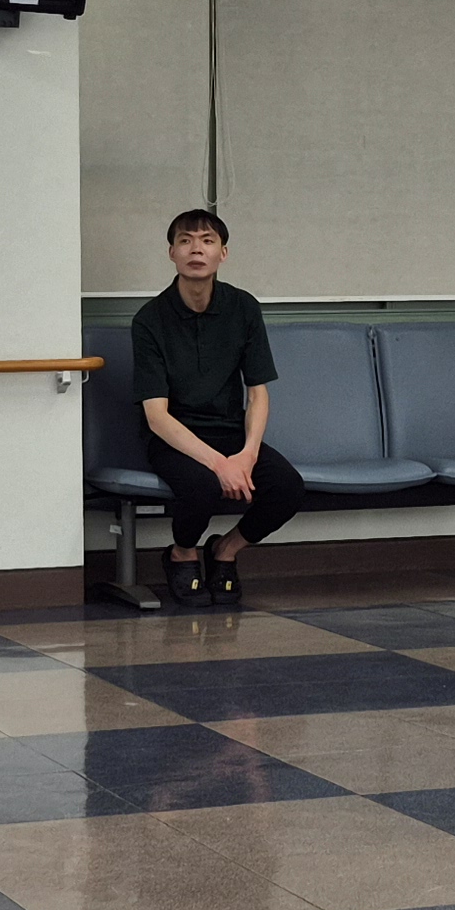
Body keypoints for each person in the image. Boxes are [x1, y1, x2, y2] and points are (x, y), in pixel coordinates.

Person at [130, 206, 304, 610]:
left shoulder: (244, 308)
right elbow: (156, 416)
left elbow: (258, 394)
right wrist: (219, 465)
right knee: (202, 487)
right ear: (171, 253)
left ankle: (225, 550)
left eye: (207, 241)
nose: (196, 249)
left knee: (287, 487)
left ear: (222, 253)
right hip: (173, 438)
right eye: (185, 241)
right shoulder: (149, 320)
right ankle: (182, 553)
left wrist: (247, 455)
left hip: (230, 433)